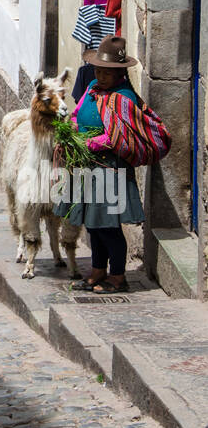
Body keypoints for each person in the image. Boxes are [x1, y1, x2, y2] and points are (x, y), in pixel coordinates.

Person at [54, 36, 146, 294]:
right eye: (98, 70)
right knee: (93, 225)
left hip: (109, 170)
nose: (101, 76)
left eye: (107, 72)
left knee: (108, 227)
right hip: (87, 168)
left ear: (120, 73)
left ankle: (118, 277)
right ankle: (97, 271)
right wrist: (71, 129)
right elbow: (78, 112)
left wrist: (90, 144)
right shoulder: (93, 88)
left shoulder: (123, 98)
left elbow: (120, 136)